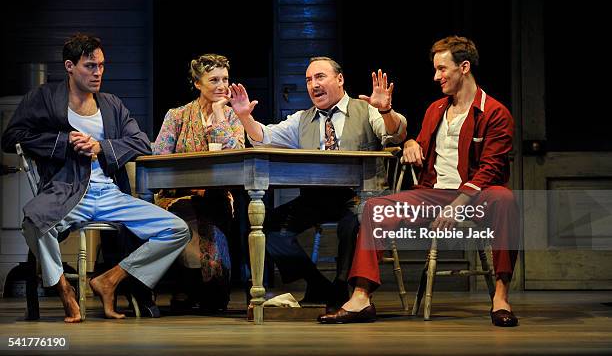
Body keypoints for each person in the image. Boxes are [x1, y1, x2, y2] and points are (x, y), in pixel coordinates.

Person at [318, 36, 519, 327]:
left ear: (464, 67)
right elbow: (416, 146)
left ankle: (501, 296)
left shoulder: (495, 113)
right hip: (434, 195)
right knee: (376, 208)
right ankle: (361, 297)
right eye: (435, 70)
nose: (436, 76)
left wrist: (458, 206)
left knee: (505, 198)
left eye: (442, 69)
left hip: (477, 198)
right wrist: (411, 141)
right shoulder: (436, 110)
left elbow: (490, 169)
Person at [1, 33, 190, 322]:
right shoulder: (44, 98)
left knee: (177, 230)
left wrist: (102, 146)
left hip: (111, 194)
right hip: (67, 190)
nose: (98, 72)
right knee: (33, 223)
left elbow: (142, 142)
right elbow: (12, 137)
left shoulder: (111, 104)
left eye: (101, 65)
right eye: (90, 66)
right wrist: (64, 142)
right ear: (69, 66)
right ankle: (64, 290)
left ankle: (110, 280)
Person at [229, 56, 407, 310]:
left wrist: (385, 110)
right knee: (270, 229)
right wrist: (245, 117)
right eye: (309, 80)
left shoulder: (366, 109)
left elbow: (394, 133)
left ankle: (343, 288)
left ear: (340, 79)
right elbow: (265, 137)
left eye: (320, 77)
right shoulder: (302, 119)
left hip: (361, 195)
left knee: (354, 223)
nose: (313, 85)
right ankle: (318, 284)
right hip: (317, 197)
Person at [152, 54, 245, 313]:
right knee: (185, 220)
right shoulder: (177, 116)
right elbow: (159, 159)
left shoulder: (233, 117)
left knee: (211, 216)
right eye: (214, 80)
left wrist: (218, 116)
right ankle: (185, 286)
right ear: (197, 83)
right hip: (177, 196)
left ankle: (208, 290)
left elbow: (236, 153)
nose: (222, 85)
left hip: (216, 196)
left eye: (225, 79)